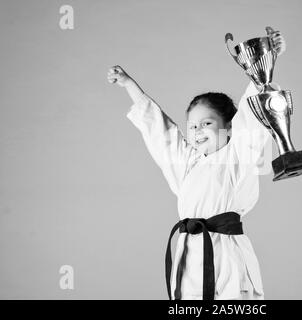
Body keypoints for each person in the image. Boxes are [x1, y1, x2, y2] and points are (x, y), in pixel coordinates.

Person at [107, 29, 286, 300]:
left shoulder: (238, 152)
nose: (197, 131)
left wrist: (265, 63)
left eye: (207, 123)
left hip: (228, 253)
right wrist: (130, 85)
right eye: (192, 126)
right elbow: (161, 132)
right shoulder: (188, 162)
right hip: (189, 252)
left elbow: (253, 113)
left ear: (228, 127)